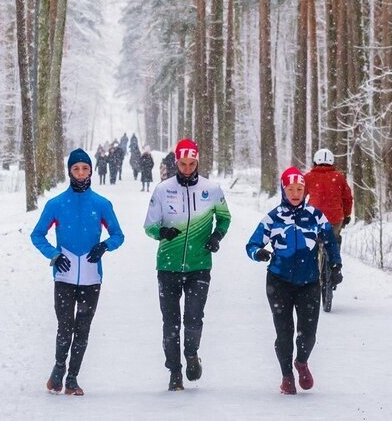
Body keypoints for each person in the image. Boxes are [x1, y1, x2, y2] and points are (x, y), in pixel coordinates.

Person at [31, 148, 125, 396]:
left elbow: (118, 235)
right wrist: (53, 254)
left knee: (83, 328)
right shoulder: (56, 204)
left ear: (91, 171)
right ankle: (59, 369)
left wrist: (105, 246)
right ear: (69, 172)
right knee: (65, 326)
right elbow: (37, 234)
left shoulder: (102, 204)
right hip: (64, 275)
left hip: (92, 277)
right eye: (76, 169)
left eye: (85, 168)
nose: (81, 173)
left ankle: (72, 378)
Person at [143, 138, 231, 391]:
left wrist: (216, 236)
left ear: (197, 161)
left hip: (199, 265)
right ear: (176, 162)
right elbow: (148, 226)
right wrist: (162, 232)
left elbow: (224, 218)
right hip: (168, 266)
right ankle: (174, 372)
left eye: (192, 163)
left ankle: (191, 355)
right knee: (170, 323)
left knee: (193, 318)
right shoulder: (162, 189)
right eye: (183, 163)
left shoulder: (212, 189)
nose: (188, 168)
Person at [246, 167, 342, 395]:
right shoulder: (273, 217)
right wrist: (258, 253)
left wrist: (336, 266)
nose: (295, 193)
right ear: (283, 190)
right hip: (279, 282)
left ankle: (301, 362)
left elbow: (330, 243)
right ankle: (287, 376)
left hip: (309, 282)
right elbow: (251, 244)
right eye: (291, 189)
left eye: (299, 189)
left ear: (305, 190)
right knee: (284, 333)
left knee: (308, 334)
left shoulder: (316, 216)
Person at [304, 148, 353, 244]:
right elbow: (347, 199)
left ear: (315, 162)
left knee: (310, 241)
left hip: (313, 217)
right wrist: (346, 215)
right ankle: (334, 256)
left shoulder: (308, 177)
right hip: (334, 218)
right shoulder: (339, 177)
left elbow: (300, 197)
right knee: (333, 240)